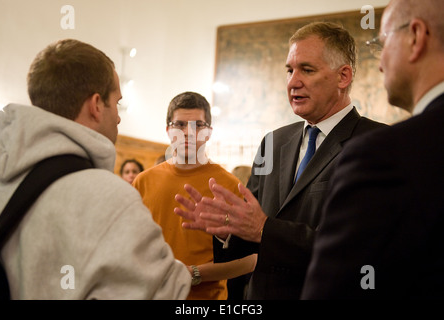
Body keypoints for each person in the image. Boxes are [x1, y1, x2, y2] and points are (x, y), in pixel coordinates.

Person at [175, 22, 387, 299]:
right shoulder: (273, 143)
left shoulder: (378, 144)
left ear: (343, 76)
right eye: (289, 70)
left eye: (307, 70)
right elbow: (252, 235)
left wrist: (264, 229)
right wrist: (227, 228)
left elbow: (355, 249)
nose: (293, 82)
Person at [0, 39, 191, 299]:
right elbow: (166, 292)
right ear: (96, 105)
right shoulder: (109, 197)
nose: (119, 117)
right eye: (117, 102)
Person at [301, 0, 444, 299]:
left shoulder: (382, 153)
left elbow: (336, 288)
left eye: (382, 44)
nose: (379, 63)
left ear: (415, 37)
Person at [133, 92, 257, 300]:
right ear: (168, 130)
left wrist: (194, 274)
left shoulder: (229, 185)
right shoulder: (143, 182)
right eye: (180, 124)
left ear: (208, 132)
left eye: (198, 125)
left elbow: (250, 260)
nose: (188, 133)